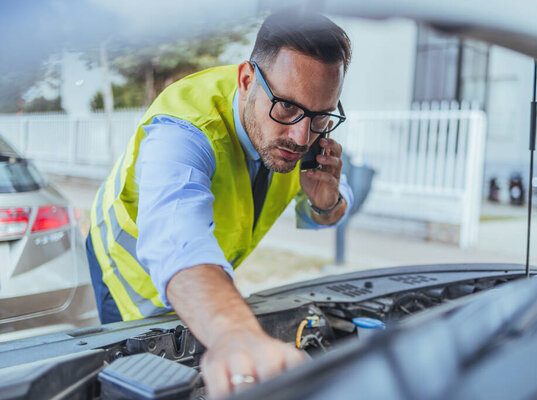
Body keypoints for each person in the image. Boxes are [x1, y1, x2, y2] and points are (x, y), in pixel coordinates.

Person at [86, 10, 353, 398]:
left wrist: (327, 204)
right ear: (247, 81)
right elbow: (176, 239)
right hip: (128, 276)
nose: (301, 137)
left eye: (319, 116)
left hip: (205, 277)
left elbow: (330, 209)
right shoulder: (182, 128)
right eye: (287, 108)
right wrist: (236, 334)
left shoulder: (312, 116)